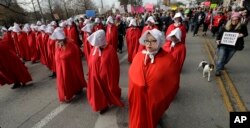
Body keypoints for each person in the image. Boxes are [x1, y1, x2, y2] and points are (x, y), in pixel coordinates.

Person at [128, 29, 180, 128]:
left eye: (153, 41)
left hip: (154, 100)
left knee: (152, 116)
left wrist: (160, 98)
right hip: (138, 98)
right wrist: (139, 84)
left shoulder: (168, 60)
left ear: (159, 42)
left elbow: (173, 83)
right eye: (147, 40)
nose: (149, 44)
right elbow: (132, 73)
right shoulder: (139, 56)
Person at [87, 30, 124, 114]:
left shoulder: (110, 49)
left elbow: (114, 65)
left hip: (107, 76)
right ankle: (103, 105)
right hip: (95, 76)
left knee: (110, 88)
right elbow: (91, 61)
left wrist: (106, 73)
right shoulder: (94, 49)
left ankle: (114, 96)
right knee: (98, 92)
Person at [52, 27, 87, 102]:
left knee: (70, 78)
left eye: (57, 39)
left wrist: (62, 53)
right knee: (64, 80)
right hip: (61, 65)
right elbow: (57, 54)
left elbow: (72, 53)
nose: (56, 40)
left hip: (69, 65)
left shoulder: (70, 43)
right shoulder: (58, 43)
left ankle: (74, 91)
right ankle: (67, 94)